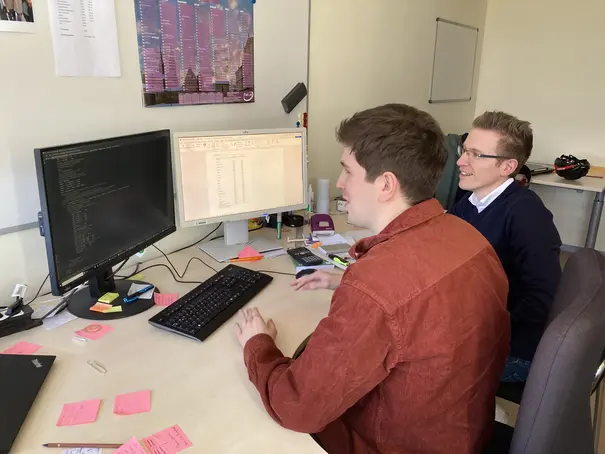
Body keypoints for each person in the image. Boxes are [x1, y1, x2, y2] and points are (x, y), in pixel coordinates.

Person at [235, 103, 510, 454]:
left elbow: (296, 407)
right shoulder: (471, 239)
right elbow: (418, 297)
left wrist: (257, 344)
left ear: (385, 185)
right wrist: (347, 281)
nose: (340, 183)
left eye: (347, 171)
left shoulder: (377, 285)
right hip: (461, 431)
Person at [450, 111, 562, 383]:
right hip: (472, 322)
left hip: (512, 349)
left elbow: (542, 298)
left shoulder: (527, 214)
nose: (460, 161)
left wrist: (478, 332)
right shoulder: (470, 202)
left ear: (507, 166)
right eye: (464, 150)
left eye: (476, 155)